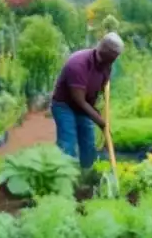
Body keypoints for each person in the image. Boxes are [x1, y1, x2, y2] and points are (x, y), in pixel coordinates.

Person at [51, 32, 124, 168]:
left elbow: (102, 88)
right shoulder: (78, 64)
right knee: (68, 144)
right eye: (115, 56)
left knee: (88, 144)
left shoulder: (107, 65)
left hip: (85, 105)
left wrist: (101, 110)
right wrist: (101, 122)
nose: (116, 59)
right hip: (64, 106)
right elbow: (79, 100)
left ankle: (87, 178)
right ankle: (65, 180)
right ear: (107, 53)